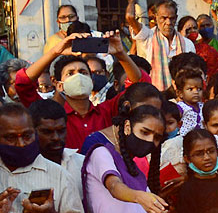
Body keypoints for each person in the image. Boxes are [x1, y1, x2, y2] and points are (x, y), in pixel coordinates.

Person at [13, 31, 147, 149]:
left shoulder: (107, 111)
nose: (78, 77)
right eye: (70, 73)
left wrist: (121, 54)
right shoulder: (49, 116)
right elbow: (22, 83)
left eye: (83, 72)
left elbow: (142, 87)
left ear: (92, 80)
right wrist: (55, 52)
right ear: (57, 82)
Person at [125, 0, 194, 91]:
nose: (168, 22)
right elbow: (129, 17)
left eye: (172, 18)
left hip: (179, 97)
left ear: (176, 18)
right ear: (156, 17)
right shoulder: (147, 36)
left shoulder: (187, 44)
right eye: (164, 18)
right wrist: (132, 1)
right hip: (153, 95)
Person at [172, 66, 205, 135]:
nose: (196, 92)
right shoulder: (181, 107)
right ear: (180, 93)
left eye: (199, 89)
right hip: (185, 140)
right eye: (191, 89)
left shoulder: (203, 106)